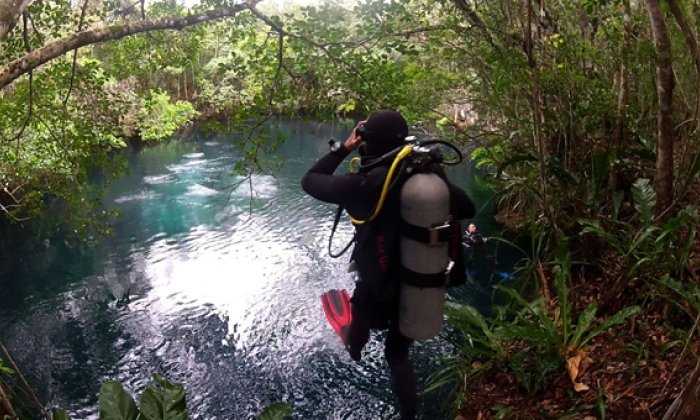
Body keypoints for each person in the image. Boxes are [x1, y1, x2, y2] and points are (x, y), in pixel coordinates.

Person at [301, 110, 475, 419]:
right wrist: (437, 178)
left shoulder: (363, 185)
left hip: (375, 286)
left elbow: (310, 181)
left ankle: (355, 350)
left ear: (366, 141)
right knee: (397, 355)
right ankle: (409, 415)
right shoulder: (424, 180)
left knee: (359, 327)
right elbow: (467, 207)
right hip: (417, 282)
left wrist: (343, 148)